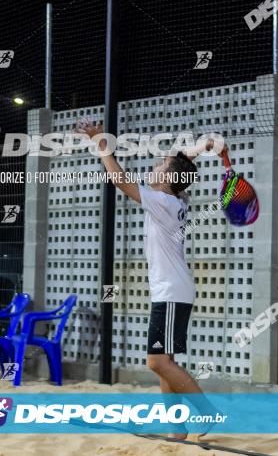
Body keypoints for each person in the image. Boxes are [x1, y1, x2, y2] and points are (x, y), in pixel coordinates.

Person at [76, 120, 219, 439]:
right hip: (174, 290)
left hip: (171, 292)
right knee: (165, 361)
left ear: (168, 178)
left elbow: (121, 181)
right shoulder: (177, 198)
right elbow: (182, 161)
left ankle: (207, 412)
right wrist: (202, 147)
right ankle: (177, 428)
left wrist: (102, 144)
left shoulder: (164, 201)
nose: (154, 166)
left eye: (160, 165)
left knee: (156, 362)